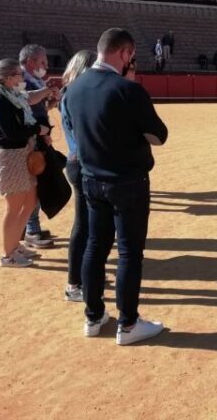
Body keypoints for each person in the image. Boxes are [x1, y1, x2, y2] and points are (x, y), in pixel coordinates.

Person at [64, 28, 169, 345]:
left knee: (95, 247)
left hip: (90, 179)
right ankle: (128, 323)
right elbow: (158, 136)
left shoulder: (74, 88)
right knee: (128, 253)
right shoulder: (128, 90)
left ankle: (93, 317)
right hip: (127, 182)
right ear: (124, 53)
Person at [0, 59, 50, 267]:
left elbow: (31, 100)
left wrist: (47, 93)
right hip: (9, 157)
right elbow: (11, 132)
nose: (22, 77)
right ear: (10, 78)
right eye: (19, 74)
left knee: (29, 201)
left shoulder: (12, 96)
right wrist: (38, 130)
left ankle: (15, 246)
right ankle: (8, 255)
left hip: (21, 154)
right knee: (14, 207)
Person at [59, 50, 97, 302]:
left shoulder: (69, 95)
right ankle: (74, 283)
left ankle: (82, 275)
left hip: (77, 161)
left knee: (88, 224)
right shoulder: (79, 96)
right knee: (83, 225)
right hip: (83, 163)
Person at [20, 44, 59, 248]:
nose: (45, 65)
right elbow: (27, 100)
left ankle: (29, 226)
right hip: (31, 140)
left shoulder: (33, 80)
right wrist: (46, 91)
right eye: (42, 61)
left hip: (37, 136)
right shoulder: (22, 80)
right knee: (33, 183)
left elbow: (39, 108)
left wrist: (50, 103)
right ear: (30, 61)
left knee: (36, 182)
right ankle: (31, 229)